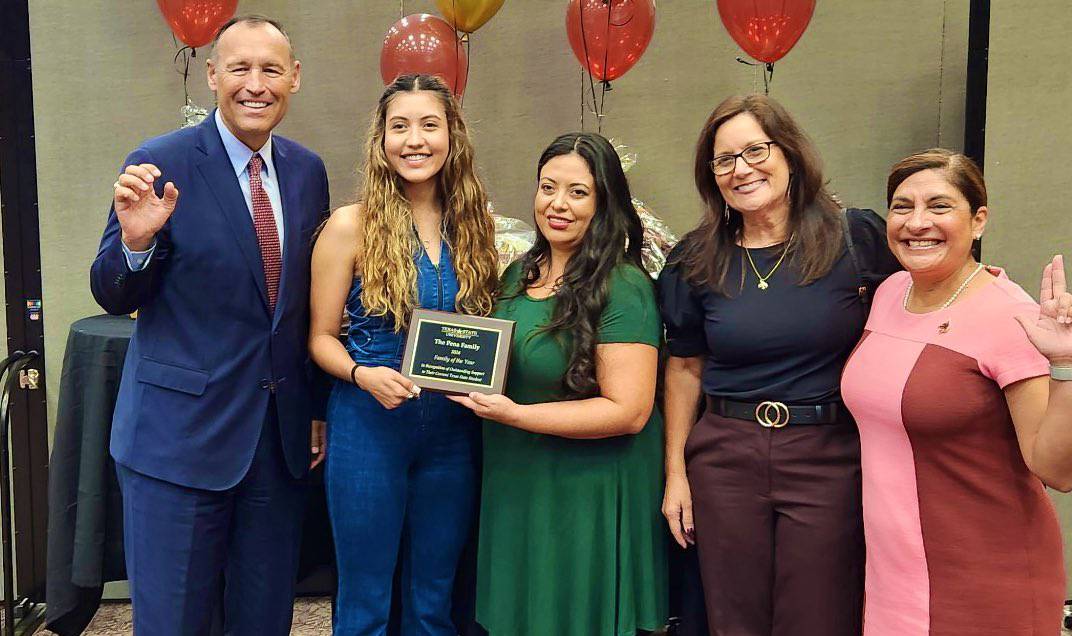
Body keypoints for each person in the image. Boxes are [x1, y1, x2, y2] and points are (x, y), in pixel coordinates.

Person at [89, 15, 329, 634]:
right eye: (240, 68)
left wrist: (316, 409)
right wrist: (137, 243)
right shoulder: (160, 162)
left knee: (264, 619)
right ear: (213, 74)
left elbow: (303, 310)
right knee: (174, 622)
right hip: (177, 444)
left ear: (295, 79)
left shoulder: (307, 172)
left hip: (274, 447)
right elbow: (112, 291)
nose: (256, 84)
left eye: (271, 69)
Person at [657, 94, 901, 636]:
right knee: (732, 616)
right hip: (725, 455)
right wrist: (676, 473)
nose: (741, 169)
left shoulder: (855, 239)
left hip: (828, 454)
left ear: (789, 154)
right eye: (724, 160)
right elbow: (685, 367)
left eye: (755, 150)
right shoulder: (694, 259)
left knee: (819, 615)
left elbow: (918, 308)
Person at [841, 149, 1072, 635]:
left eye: (939, 207)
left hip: (985, 577)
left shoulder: (1010, 314)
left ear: (978, 221)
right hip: (894, 574)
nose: (917, 223)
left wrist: (1065, 364)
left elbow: (1061, 470)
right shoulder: (891, 292)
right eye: (901, 207)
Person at [452, 132, 668, 636]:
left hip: (585, 489)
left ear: (604, 202)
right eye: (548, 187)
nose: (558, 204)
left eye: (578, 192)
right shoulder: (514, 276)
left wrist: (516, 415)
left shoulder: (624, 286)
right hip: (519, 475)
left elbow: (628, 410)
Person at [308, 73, 497, 635]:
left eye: (429, 125)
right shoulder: (350, 225)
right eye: (400, 127)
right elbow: (318, 338)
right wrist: (363, 374)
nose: (415, 140)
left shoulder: (477, 223)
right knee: (365, 598)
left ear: (452, 136)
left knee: (434, 599)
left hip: (453, 432)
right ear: (381, 140)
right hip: (369, 425)